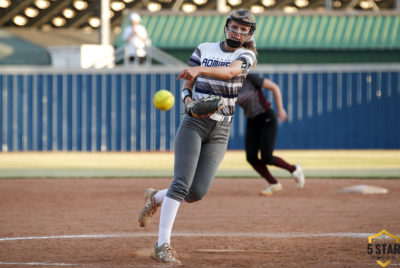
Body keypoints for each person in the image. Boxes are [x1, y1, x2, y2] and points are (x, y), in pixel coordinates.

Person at [137, 10, 257, 264]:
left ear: (249, 34)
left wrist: (201, 69)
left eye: (243, 30)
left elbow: (229, 73)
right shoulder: (204, 48)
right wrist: (188, 101)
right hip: (194, 123)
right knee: (181, 184)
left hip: (221, 130)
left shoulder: (246, 55)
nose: (237, 32)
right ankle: (162, 245)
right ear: (226, 27)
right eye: (234, 27)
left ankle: (155, 197)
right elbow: (188, 83)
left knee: (196, 192)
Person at [236, 73, 305, 196]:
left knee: (266, 157)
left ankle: (294, 169)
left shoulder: (250, 78)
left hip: (266, 118)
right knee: (251, 157)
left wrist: (280, 109)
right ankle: (273, 183)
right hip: (252, 121)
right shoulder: (227, 85)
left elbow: (274, 87)